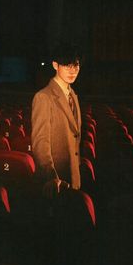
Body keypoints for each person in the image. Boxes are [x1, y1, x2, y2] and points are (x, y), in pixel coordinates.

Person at [31, 43, 82, 197]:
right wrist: (51, 177)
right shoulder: (43, 97)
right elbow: (40, 142)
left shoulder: (73, 94)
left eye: (76, 65)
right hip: (57, 182)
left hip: (73, 177)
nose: (72, 70)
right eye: (67, 65)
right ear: (55, 65)